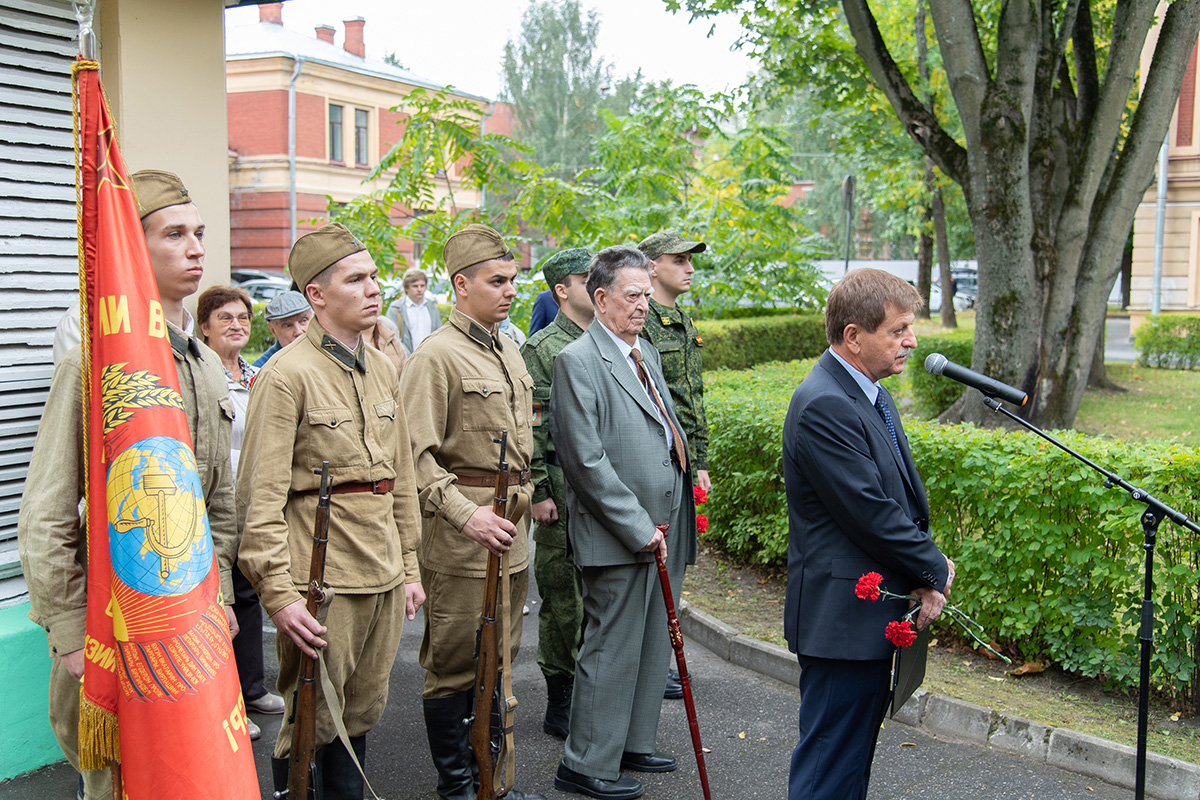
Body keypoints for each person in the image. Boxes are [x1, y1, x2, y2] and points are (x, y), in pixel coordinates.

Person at [19, 170, 239, 800]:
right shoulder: (91, 363)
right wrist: (68, 636)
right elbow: (46, 514)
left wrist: (217, 597)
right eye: (175, 234)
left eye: (199, 233)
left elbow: (217, 503)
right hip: (113, 632)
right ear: (130, 250)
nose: (197, 248)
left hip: (190, 627)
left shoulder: (205, 367)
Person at [236, 223, 425, 800]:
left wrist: (411, 566)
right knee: (312, 713)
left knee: (364, 709)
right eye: (356, 279)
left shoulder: (385, 367)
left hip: (383, 569)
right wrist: (278, 592)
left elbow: (402, 478)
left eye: (374, 277)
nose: (373, 289)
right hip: (320, 577)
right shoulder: (286, 374)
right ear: (316, 295)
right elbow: (259, 496)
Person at [782, 267, 955, 800]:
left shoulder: (864, 390)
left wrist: (922, 571)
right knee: (830, 765)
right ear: (853, 336)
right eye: (898, 330)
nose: (912, 340)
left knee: (850, 762)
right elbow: (871, 511)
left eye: (911, 327)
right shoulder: (827, 403)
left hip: (864, 614)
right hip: (842, 620)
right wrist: (932, 568)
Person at [399, 224, 544, 800]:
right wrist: (467, 516)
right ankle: (458, 787)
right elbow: (415, 457)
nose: (510, 291)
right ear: (461, 285)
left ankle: (493, 781)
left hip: (512, 530)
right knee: (456, 663)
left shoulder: (507, 347)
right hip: (464, 539)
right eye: (497, 281)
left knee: (501, 661)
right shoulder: (436, 357)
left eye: (513, 280)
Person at [550, 246, 696, 800]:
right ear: (601, 297)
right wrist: (638, 526)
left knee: (652, 641)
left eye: (645, 294)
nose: (642, 305)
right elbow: (584, 461)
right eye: (632, 296)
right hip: (620, 531)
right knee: (610, 647)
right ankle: (585, 762)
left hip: (667, 519)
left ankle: (630, 743)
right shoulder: (578, 360)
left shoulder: (646, 352)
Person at [196, 285, 288, 741]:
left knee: (250, 597)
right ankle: (226, 700)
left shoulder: (257, 374)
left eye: (242, 318)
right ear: (204, 328)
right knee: (219, 603)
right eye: (225, 318)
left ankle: (251, 688)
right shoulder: (200, 376)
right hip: (214, 504)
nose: (236, 325)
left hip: (252, 503)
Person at [518, 248, 593, 739]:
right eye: (587, 278)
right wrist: (541, 491)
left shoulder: (606, 340)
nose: (597, 284)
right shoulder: (543, 349)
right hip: (561, 498)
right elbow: (533, 431)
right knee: (563, 598)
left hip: (599, 498)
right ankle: (560, 701)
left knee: (597, 598)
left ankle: (593, 694)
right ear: (561, 290)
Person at [637, 229, 710, 702]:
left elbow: (692, 398)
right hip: (656, 461)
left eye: (690, 260)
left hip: (683, 459)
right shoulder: (640, 323)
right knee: (650, 568)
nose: (688, 268)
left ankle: (661, 659)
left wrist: (701, 459)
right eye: (678, 259)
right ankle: (647, 665)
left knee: (676, 565)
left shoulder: (682, 319)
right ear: (652, 266)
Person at [388, 265, 442, 354]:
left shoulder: (431, 307)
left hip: (430, 358)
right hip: (405, 359)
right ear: (406, 288)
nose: (419, 289)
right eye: (415, 286)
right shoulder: (396, 308)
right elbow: (392, 338)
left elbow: (439, 333)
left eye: (422, 285)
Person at [252, 290, 311, 368]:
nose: (298, 331)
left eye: (303, 321)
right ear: (273, 330)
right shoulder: (263, 370)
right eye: (288, 325)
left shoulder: (328, 351)